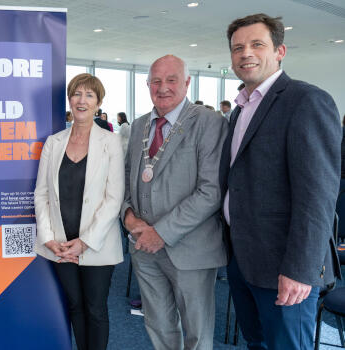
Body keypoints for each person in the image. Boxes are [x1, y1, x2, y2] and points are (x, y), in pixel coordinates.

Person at [220, 14, 340, 350]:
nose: (246, 53)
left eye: (257, 44)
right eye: (238, 48)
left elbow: (317, 197)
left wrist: (301, 270)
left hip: (285, 267)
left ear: (280, 51)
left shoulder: (305, 101)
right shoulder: (240, 111)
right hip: (242, 258)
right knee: (256, 342)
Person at [122, 55, 227, 350]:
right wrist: (129, 217)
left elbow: (212, 191)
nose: (163, 87)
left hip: (190, 249)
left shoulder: (209, 123)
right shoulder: (140, 125)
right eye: (156, 81)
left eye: (172, 80)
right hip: (144, 248)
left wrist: (161, 233)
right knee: (158, 326)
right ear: (147, 85)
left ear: (187, 83)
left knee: (197, 333)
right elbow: (127, 181)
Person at [34, 73, 124, 350]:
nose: (82, 101)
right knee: (75, 307)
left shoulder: (111, 142)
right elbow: (42, 194)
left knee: (95, 309)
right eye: (77, 94)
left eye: (89, 95)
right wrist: (48, 238)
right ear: (70, 99)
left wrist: (85, 242)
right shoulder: (54, 142)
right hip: (60, 244)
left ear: (98, 103)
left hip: (96, 244)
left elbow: (114, 197)